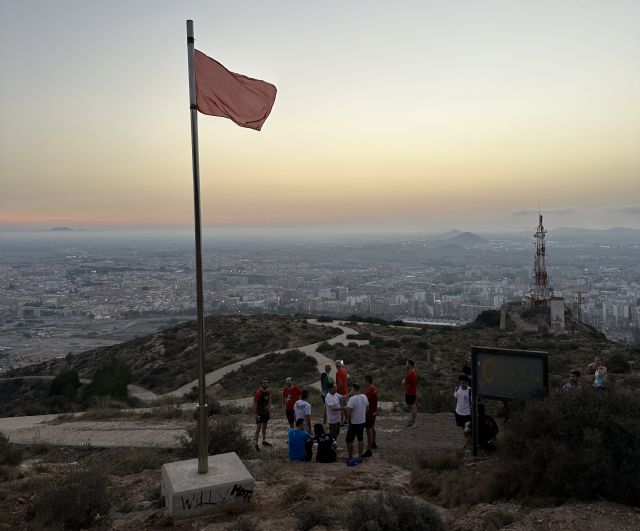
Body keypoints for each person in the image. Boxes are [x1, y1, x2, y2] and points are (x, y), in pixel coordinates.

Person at [345, 382, 369, 460]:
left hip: (354, 422)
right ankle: (360, 456)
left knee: (349, 440)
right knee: (360, 439)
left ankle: (350, 457)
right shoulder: (364, 396)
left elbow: (349, 412)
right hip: (362, 421)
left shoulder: (352, 399)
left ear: (353, 388)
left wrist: (347, 419)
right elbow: (367, 408)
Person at [253, 378, 272, 451]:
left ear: (268, 384)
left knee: (264, 427)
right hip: (259, 413)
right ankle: (256, 444)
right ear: (261, 384)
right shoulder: (259, 392)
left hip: (266, 413)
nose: (265, 384)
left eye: (266, 383)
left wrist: (269, 406)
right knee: (258, 429)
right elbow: (254, 402)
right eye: (263, 383)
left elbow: (269, 398)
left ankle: (264, 441)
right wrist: (255, 414)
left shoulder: (268, 391)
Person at [363, 374, 378, 457]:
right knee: (372, 427)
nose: (364, 383)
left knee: (368, 431)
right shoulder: (373, 388)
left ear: (367, 381)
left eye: (364, 381)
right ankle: (373, 443)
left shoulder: (370, 391)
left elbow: (366, 402)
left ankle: (368, 450)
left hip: (370, 413)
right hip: (374, 412)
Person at [403, 359, 417, 427]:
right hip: (412, 392)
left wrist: (405, 382)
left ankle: (412, 422)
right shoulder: (412, 372)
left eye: (406, 364)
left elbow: (404, 382)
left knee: (412, 407)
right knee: (412, 407)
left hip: (410, 393)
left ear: (410, 365)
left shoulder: (410, 374)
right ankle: (412, 420)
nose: (405, 365)